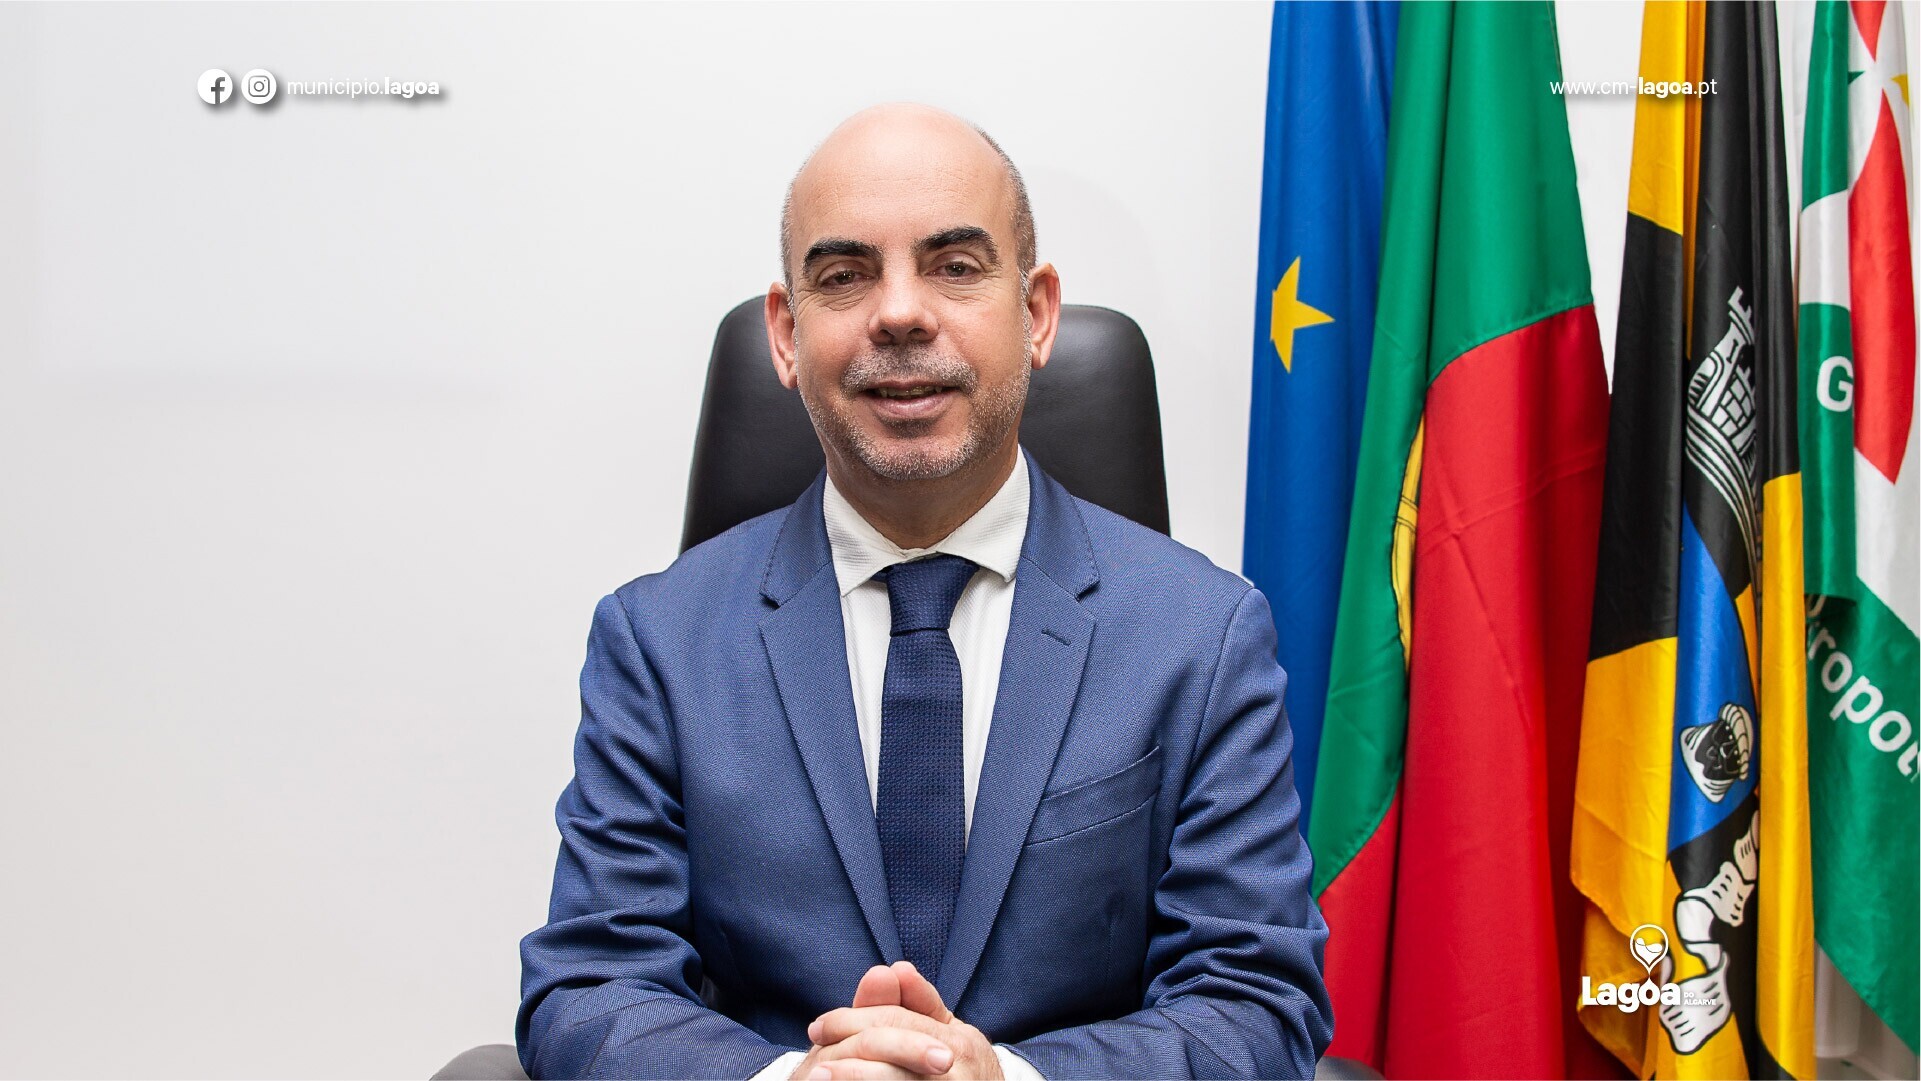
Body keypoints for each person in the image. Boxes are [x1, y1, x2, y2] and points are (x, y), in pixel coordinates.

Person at [515, 102, 1332, 1081]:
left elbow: (1254, 1001)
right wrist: (792, 1080)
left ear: (1035, 314)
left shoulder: (1202, 636)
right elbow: (590, 984)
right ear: (785, 334)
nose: (899, 313)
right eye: (843, 275)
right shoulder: (657, 641)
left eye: (953, 265)